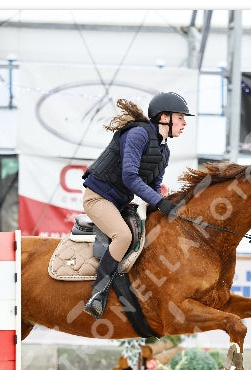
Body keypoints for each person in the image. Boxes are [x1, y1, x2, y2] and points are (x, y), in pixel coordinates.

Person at [80, 91, 193, 318]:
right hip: (98, 198)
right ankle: (98, 293)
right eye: (180, 117)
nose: (184, 123)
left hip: (120, 204)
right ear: (164, 117)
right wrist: (160, 203)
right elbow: (130, 178)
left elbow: (154, 185)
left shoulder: (164, 150)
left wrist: (170, 207)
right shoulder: (138, 135)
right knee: (123, 236)